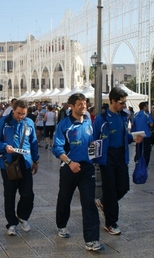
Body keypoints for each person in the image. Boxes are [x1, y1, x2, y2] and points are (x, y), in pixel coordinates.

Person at [52, 93, 104, 251]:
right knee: (65, 198)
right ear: (72, 106)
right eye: (80, 104)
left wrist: (95, 155)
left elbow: (92, 143)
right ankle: (61, 225)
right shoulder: (64, 125)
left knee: (89, 202)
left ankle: (92, 239)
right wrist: (69, 162)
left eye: (85, 103)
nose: (83, 106)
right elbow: (57, 148)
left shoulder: (89, 122)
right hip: (69, 167)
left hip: (87, 168)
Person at [92, 87, 143, 236]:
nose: (124, 105)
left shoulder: (123, 117)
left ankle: (103, 202)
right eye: (121, 103)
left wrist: (134, 138)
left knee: (123, 187)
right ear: (112, 101)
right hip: (107, 158)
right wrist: (94, 160)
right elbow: (94, 139)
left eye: (125, 102)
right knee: (110, 190)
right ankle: (111, 223)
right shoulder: (101, 119)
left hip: (121, 156)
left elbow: (124, 137)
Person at [0, 100, 39, 236]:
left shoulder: (29, 123)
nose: (21, 116)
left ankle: (23, 216)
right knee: (10, 194)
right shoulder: (4, 122)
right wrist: (4, 147)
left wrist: (36, 160)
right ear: (13, 109)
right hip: (9, 163)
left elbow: (33, 142)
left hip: (25, 162)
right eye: (18, 113)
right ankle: (11, 223)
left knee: (28, 193)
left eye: (24, 114)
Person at [131, 101, 153, 167]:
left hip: (137, 135)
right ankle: (145, 164)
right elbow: (151, 124)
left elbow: (132, 124)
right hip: (146, 135)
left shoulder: (135, 115)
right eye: (146, 106)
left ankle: (138, 161)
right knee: (146, 150)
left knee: (138, 149)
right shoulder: (147, 115)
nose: (147, 107)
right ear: (144, 107)